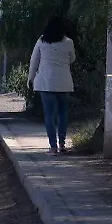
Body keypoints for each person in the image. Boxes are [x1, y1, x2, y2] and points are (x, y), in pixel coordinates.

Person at [28, 16, 76, 154]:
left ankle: (53, 147)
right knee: (62, 114)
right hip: (63, 82)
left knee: (49, 115)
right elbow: (72, 59)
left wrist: (30, 79)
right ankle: (62, 144)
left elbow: (34, 61)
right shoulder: (69, 42)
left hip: (46, 82)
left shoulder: (41, 41)